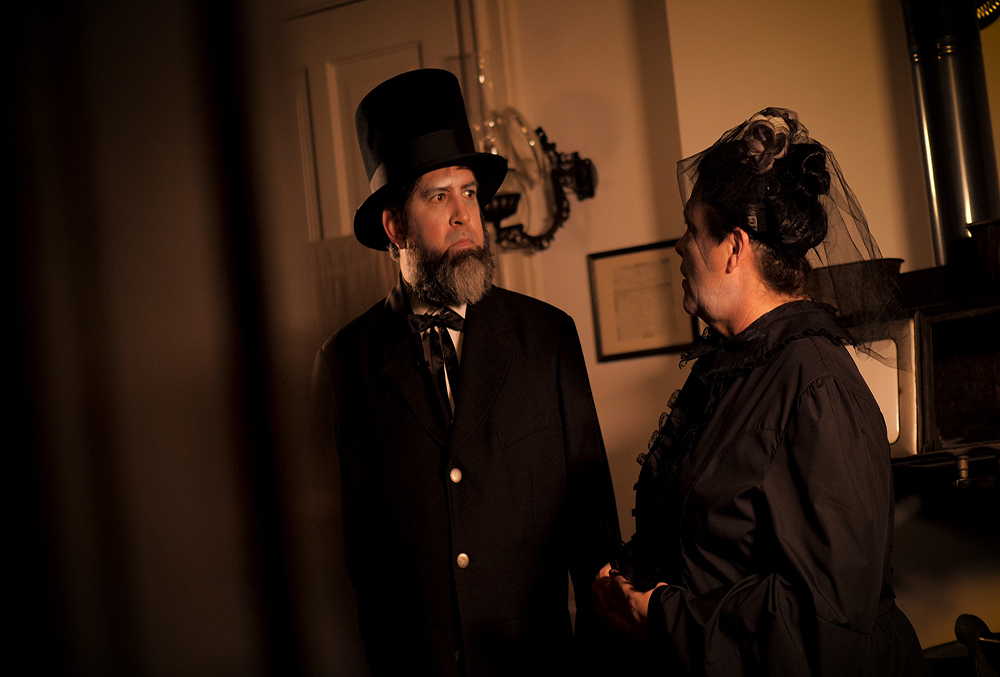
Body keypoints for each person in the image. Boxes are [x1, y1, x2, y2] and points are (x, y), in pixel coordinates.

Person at [592, 108, 929, 676]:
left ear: (734, 247)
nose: (679, 246)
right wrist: (625, 585)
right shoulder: (736, 368)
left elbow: (826, 621)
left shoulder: (817, 387)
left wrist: (664, 618)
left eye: (692, 229)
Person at [312, 68, 620, 676]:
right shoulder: (344, 364)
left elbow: (594, 531)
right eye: (438, 196)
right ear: (395, 226)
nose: (465, 216)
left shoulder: (548, 338)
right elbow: (340, 560)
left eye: (470, 193)